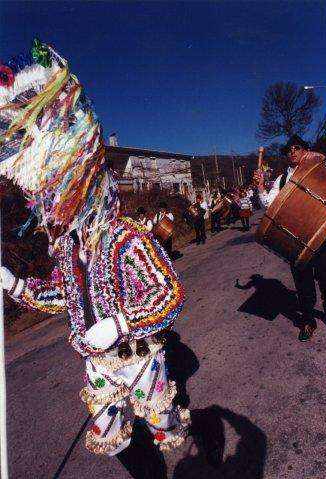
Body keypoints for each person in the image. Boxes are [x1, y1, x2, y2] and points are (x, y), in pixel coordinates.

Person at [0, 39, 190, 458]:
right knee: (109, 438)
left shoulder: (125, 238)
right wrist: (14, 284)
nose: (52, 213)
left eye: (59, 199)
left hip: (140, 357)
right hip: (99, 367)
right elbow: (62, 296)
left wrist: (120, 324)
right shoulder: (68, 249)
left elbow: (169, 295)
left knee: (162, 423)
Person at [254, 134, 326, 342]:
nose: (292, 151)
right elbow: (268, 206)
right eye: (288, 149)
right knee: (303, 282)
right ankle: (308, 320)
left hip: (323, 232)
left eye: (296, 147)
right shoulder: (282, 180)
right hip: (296, 240)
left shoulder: (319, 166)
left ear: (304, 150)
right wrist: (261, 186)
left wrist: (322, 157)